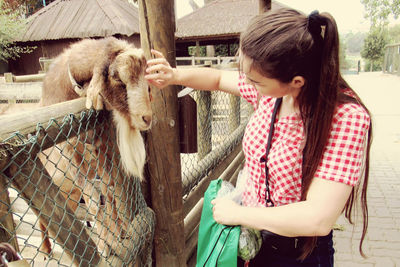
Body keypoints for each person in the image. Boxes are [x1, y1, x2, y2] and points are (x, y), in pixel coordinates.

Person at [145, 7, 372, 267]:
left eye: (256, 81)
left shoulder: (345, 117)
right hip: (249, 241)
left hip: (296, 254)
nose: (247, 85)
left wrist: (240, 213)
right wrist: (174, 75)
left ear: (297, 81)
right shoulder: (271, 93)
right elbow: (218, 78)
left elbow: (317, 218)